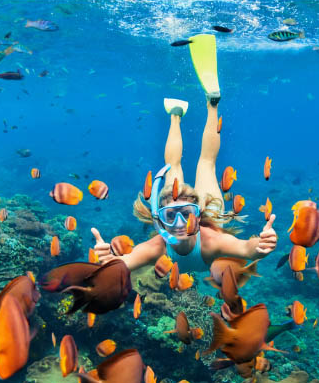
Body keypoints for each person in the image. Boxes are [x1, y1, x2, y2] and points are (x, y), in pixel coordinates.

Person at [90, 34, 278, 272]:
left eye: (186, 214)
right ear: (161, 221)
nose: (179, 224)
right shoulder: (157, 245)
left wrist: (260, 246)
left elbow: (246, 248)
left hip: (207, 214)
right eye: (171, 216)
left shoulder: (211, 241)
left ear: (198, 217)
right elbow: (123, 264)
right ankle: (206, 105)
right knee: (206, 164)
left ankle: (181, 112)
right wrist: (109, 262)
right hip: (214, 211)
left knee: (179, 164)